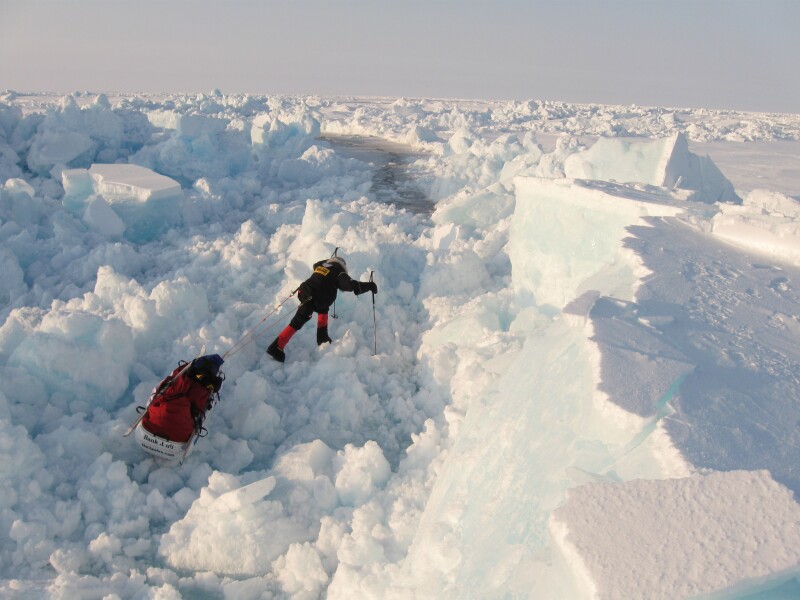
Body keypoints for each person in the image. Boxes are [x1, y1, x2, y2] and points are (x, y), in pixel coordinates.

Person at [267, 256, 377, 362]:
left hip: (304, 292)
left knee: (323, 309)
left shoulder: (321, 266)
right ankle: (277, 346)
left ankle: (322, 337)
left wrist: (329, 260)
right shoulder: (339, 272)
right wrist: (369, 286)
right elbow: (350, 285)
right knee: (298, 321)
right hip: (314, 297)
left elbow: (316, 264)